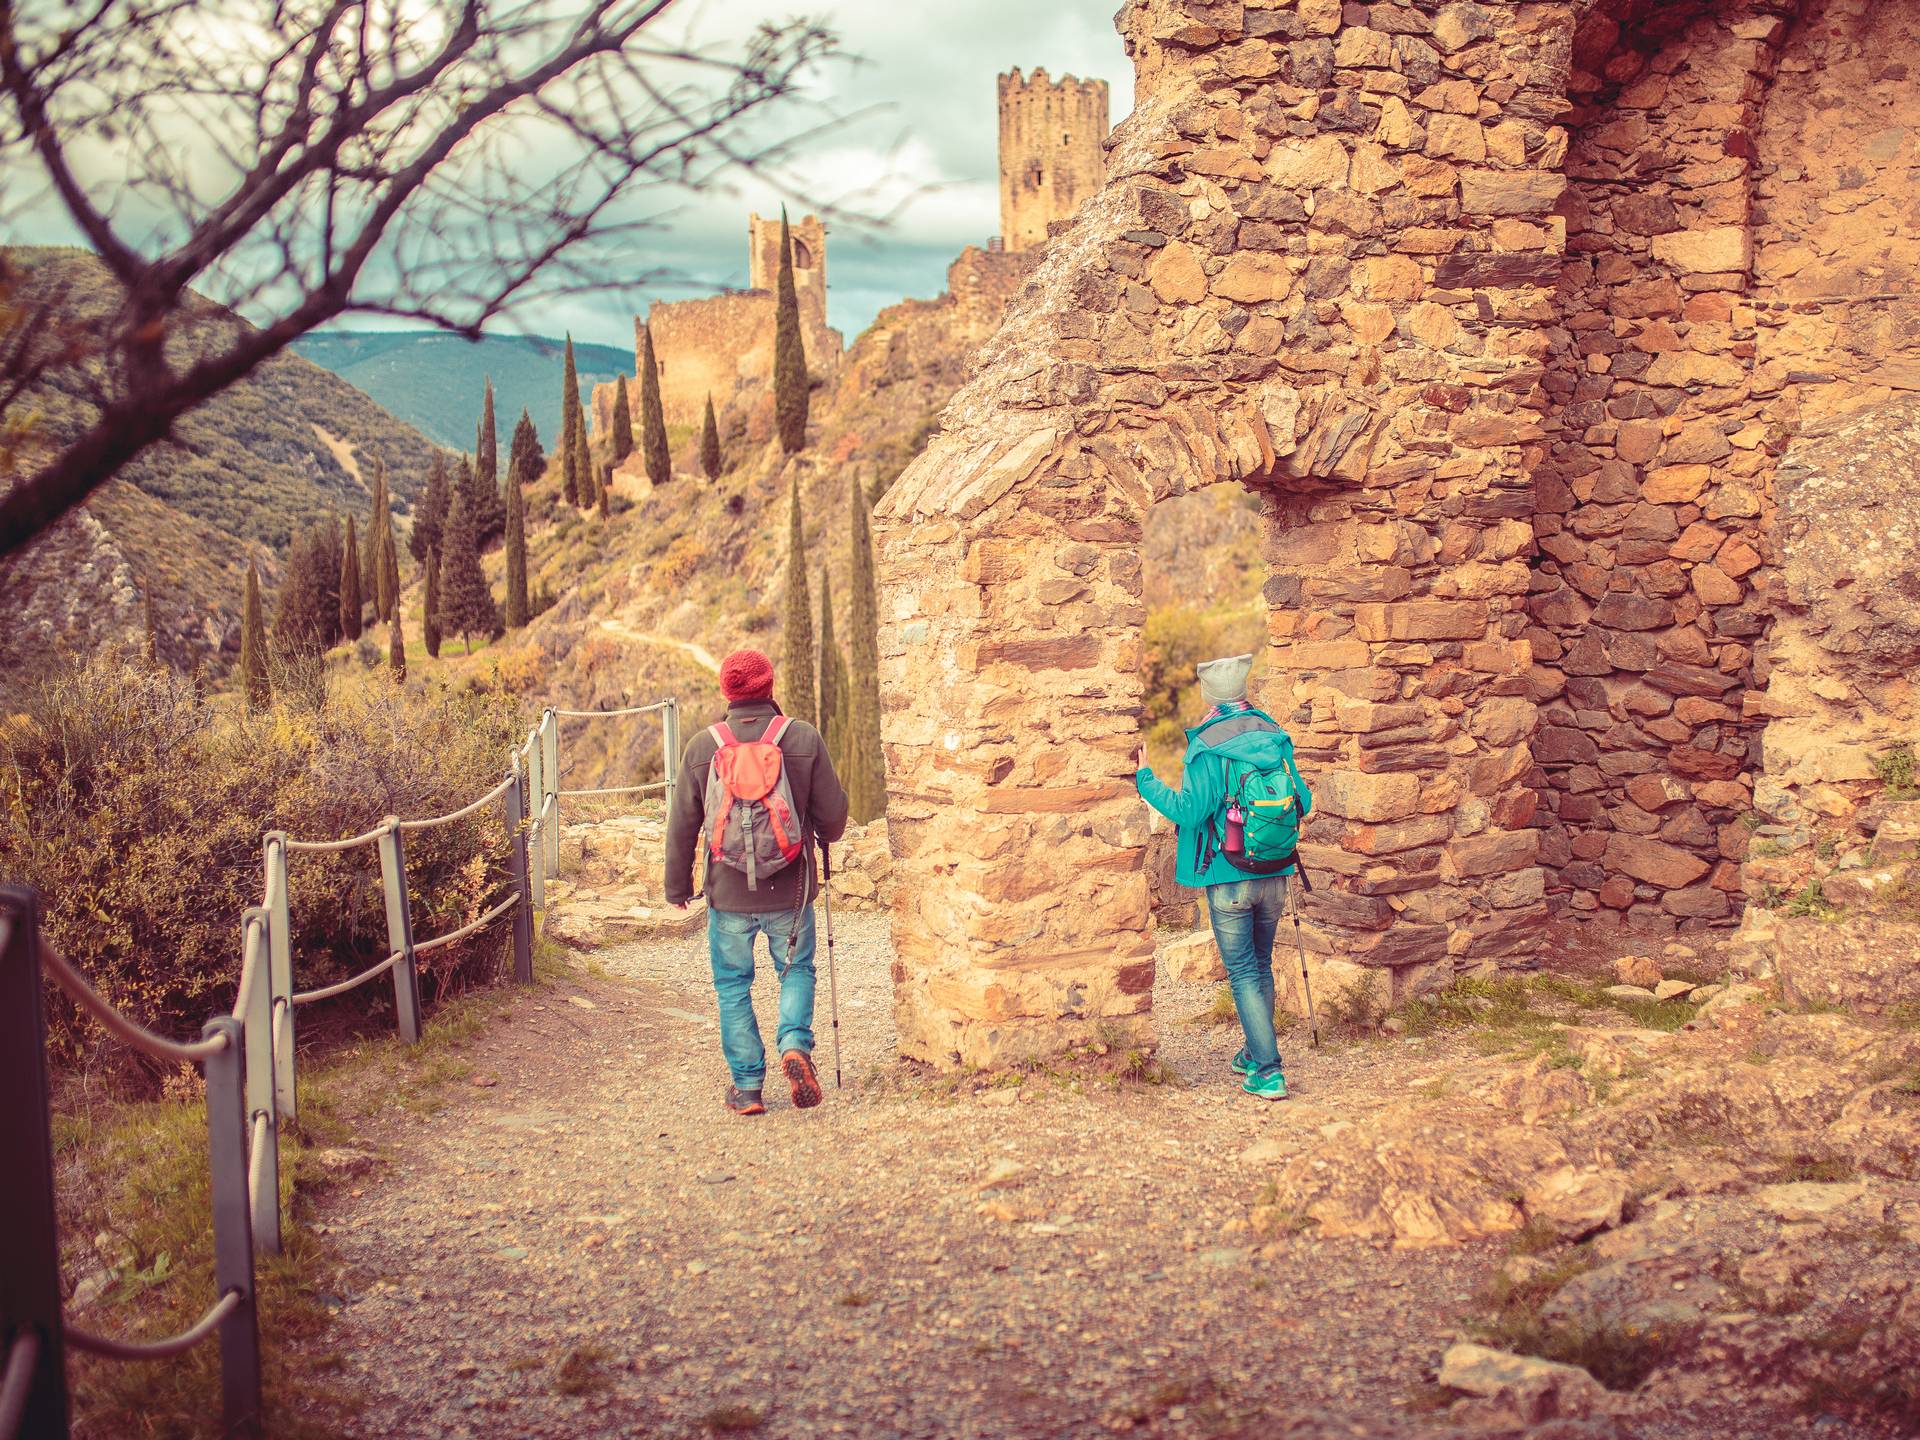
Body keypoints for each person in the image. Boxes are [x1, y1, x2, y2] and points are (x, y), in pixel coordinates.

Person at [665, 649, 849, 1116]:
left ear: (726, 692)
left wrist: (676, 886)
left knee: (732, 986)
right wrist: (823, 835)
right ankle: (794, 1044)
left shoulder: (702, 747)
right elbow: (833, 817)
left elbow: (684, 824)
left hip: (727, 893)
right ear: (770, 687)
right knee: (796, 969)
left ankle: (747, 1088)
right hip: (790, 888)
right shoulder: (801, 737)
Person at [1133, 653, 1311, 1101]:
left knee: (1243, 972)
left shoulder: (1207, 745)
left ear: (1208, 695)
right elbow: (1302, 801)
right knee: (1261, 965)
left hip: (1228, 874)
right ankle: (1254, 1054)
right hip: (1275, 872)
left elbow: (1190, 811)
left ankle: (1269, 1071)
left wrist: (1146, 779)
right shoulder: (1274, 735)